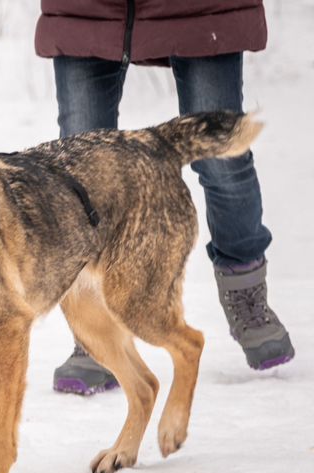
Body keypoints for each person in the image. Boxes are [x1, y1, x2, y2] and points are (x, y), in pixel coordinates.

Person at [35, 1, 295, 395]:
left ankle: (246, 294)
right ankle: (96, 331)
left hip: (203, 7)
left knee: (222, 159)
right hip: (85, 8)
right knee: (80, 174)